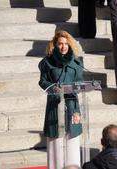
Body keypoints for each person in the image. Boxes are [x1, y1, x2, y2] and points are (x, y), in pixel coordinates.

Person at [38, 30, 84, 169]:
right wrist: (52, 87)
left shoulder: (76, 62)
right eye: (60, 44)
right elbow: (42, 81)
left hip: (71, 104)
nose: (63, 47)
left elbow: (80, 82)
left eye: (66, 44)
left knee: (73, 140)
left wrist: (77, 87)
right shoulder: (47, 62)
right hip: (55, 104)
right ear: (55, 45)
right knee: (54, 142)